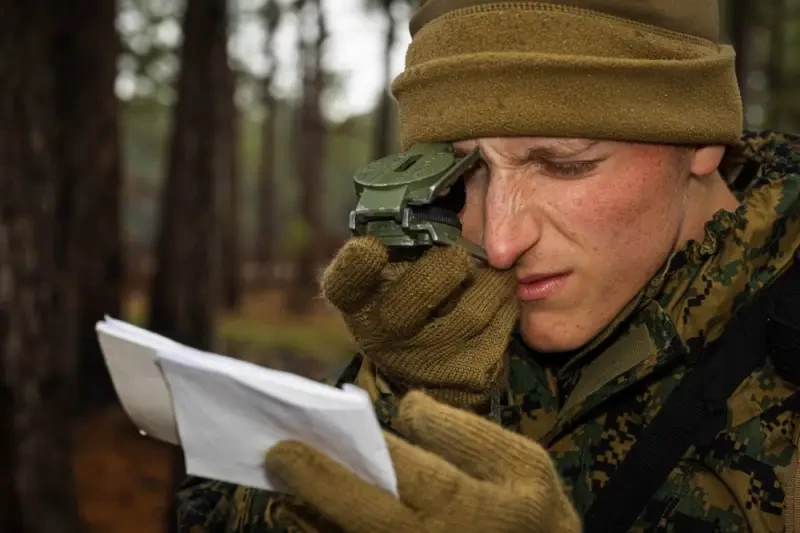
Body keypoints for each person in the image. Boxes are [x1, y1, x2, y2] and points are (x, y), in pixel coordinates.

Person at [176, 1, 800, 531]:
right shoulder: (461, 313)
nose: (499, 242)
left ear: (702, 140)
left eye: (564, 164)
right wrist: (397, 401)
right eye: (463, 173)